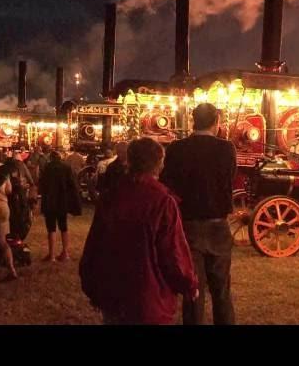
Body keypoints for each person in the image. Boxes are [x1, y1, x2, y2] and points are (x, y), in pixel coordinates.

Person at [80, 137, 199, 325]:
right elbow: (173, 252)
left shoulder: (111, 196)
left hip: (114, 292)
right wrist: (188, 284)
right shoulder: (162, 201)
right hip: (149, 297)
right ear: (158, 164)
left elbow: (95, 244)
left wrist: (92, 284)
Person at [161, 103, 237, 325]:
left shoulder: (176, 148)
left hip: (189, 226)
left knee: (193, 290)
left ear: (193, 121)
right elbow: (230, 178)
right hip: (218, 225)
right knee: (222, 290)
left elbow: (168, 185)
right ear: (216, 122)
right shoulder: (227, 149)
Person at [38, 150, 82, 262]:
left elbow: (42, 183)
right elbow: (72, 184)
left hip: (50, 201)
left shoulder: (48, 168)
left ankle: (52, 255)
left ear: (51, 158)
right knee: (64, 226)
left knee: (51, 228)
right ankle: (65, 253)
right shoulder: (66, 167)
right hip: (62, 201)